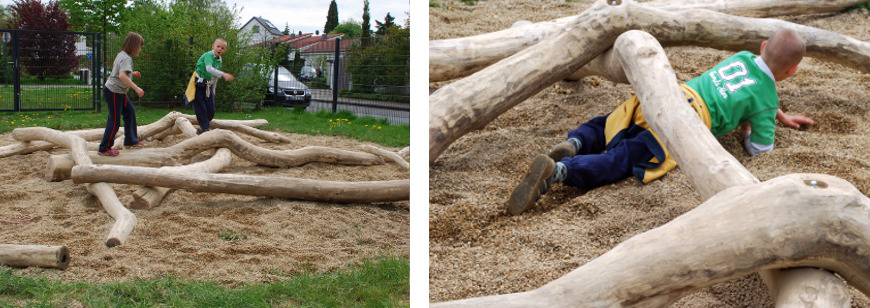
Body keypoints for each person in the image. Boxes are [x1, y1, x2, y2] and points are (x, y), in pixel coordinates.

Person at [508, 29, 815, 215]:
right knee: (624, 158)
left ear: (762, 46)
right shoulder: (766, 100)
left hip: (670, 93)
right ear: (792, 72)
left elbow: (748, 90)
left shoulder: (743, 58)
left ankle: (576, 142)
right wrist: (749, 127)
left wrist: (775, 111)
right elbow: (760, 149)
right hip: (687, 121)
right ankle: (560, 172)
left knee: (608, 124)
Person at [98, 32, 146, 156]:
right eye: (140, 46)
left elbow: (121, 71)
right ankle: (104, 148)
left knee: (130, 112)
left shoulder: (122, 55)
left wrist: (132, 73)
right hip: (114, 92)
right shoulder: (126, 58)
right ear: (134, 46)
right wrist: (137, 88)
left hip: (118, 92)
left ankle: (130, 140)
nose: (140, 49)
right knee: (114, 121)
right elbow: (121, 75)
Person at [185, 38, 234, 134]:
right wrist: (223, 74)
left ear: (225, 50)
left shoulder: (219, 61)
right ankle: (206, 129)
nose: (220, 49)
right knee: (201, 107)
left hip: (208, 85)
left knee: (211, 111)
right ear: (213, 46)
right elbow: (209, 69)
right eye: (218, 46)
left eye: (222, 48)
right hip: (198, 84)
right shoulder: (208, 55)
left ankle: (202, 127)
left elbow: (214, 77)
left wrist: (214, 90)